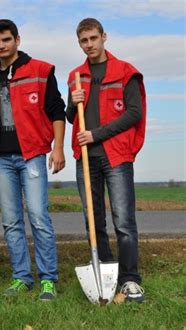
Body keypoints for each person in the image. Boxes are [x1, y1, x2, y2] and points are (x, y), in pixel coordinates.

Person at [0, 19, 66, 301]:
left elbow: (57, 111)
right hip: (2, 159)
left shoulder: (41, 70)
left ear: (17, 40)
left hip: (32, 155)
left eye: (6, 39)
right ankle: (21, 278)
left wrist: (58, 149)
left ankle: (48, 280)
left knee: (39, 217)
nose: (1, 46)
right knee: (10, 221)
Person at [66, 18, 147, 302]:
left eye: (93, 39)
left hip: (116, 156)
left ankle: (129, 279)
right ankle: (104, 271)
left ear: (104, 37)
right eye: (83, 41)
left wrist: (97, 134)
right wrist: (72, 103)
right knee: (92, 219)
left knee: (123, 221)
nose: (89, 45)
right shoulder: (76, 75)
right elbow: (70, 116)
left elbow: (134, 113)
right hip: (85, 158)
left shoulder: (126, 72)